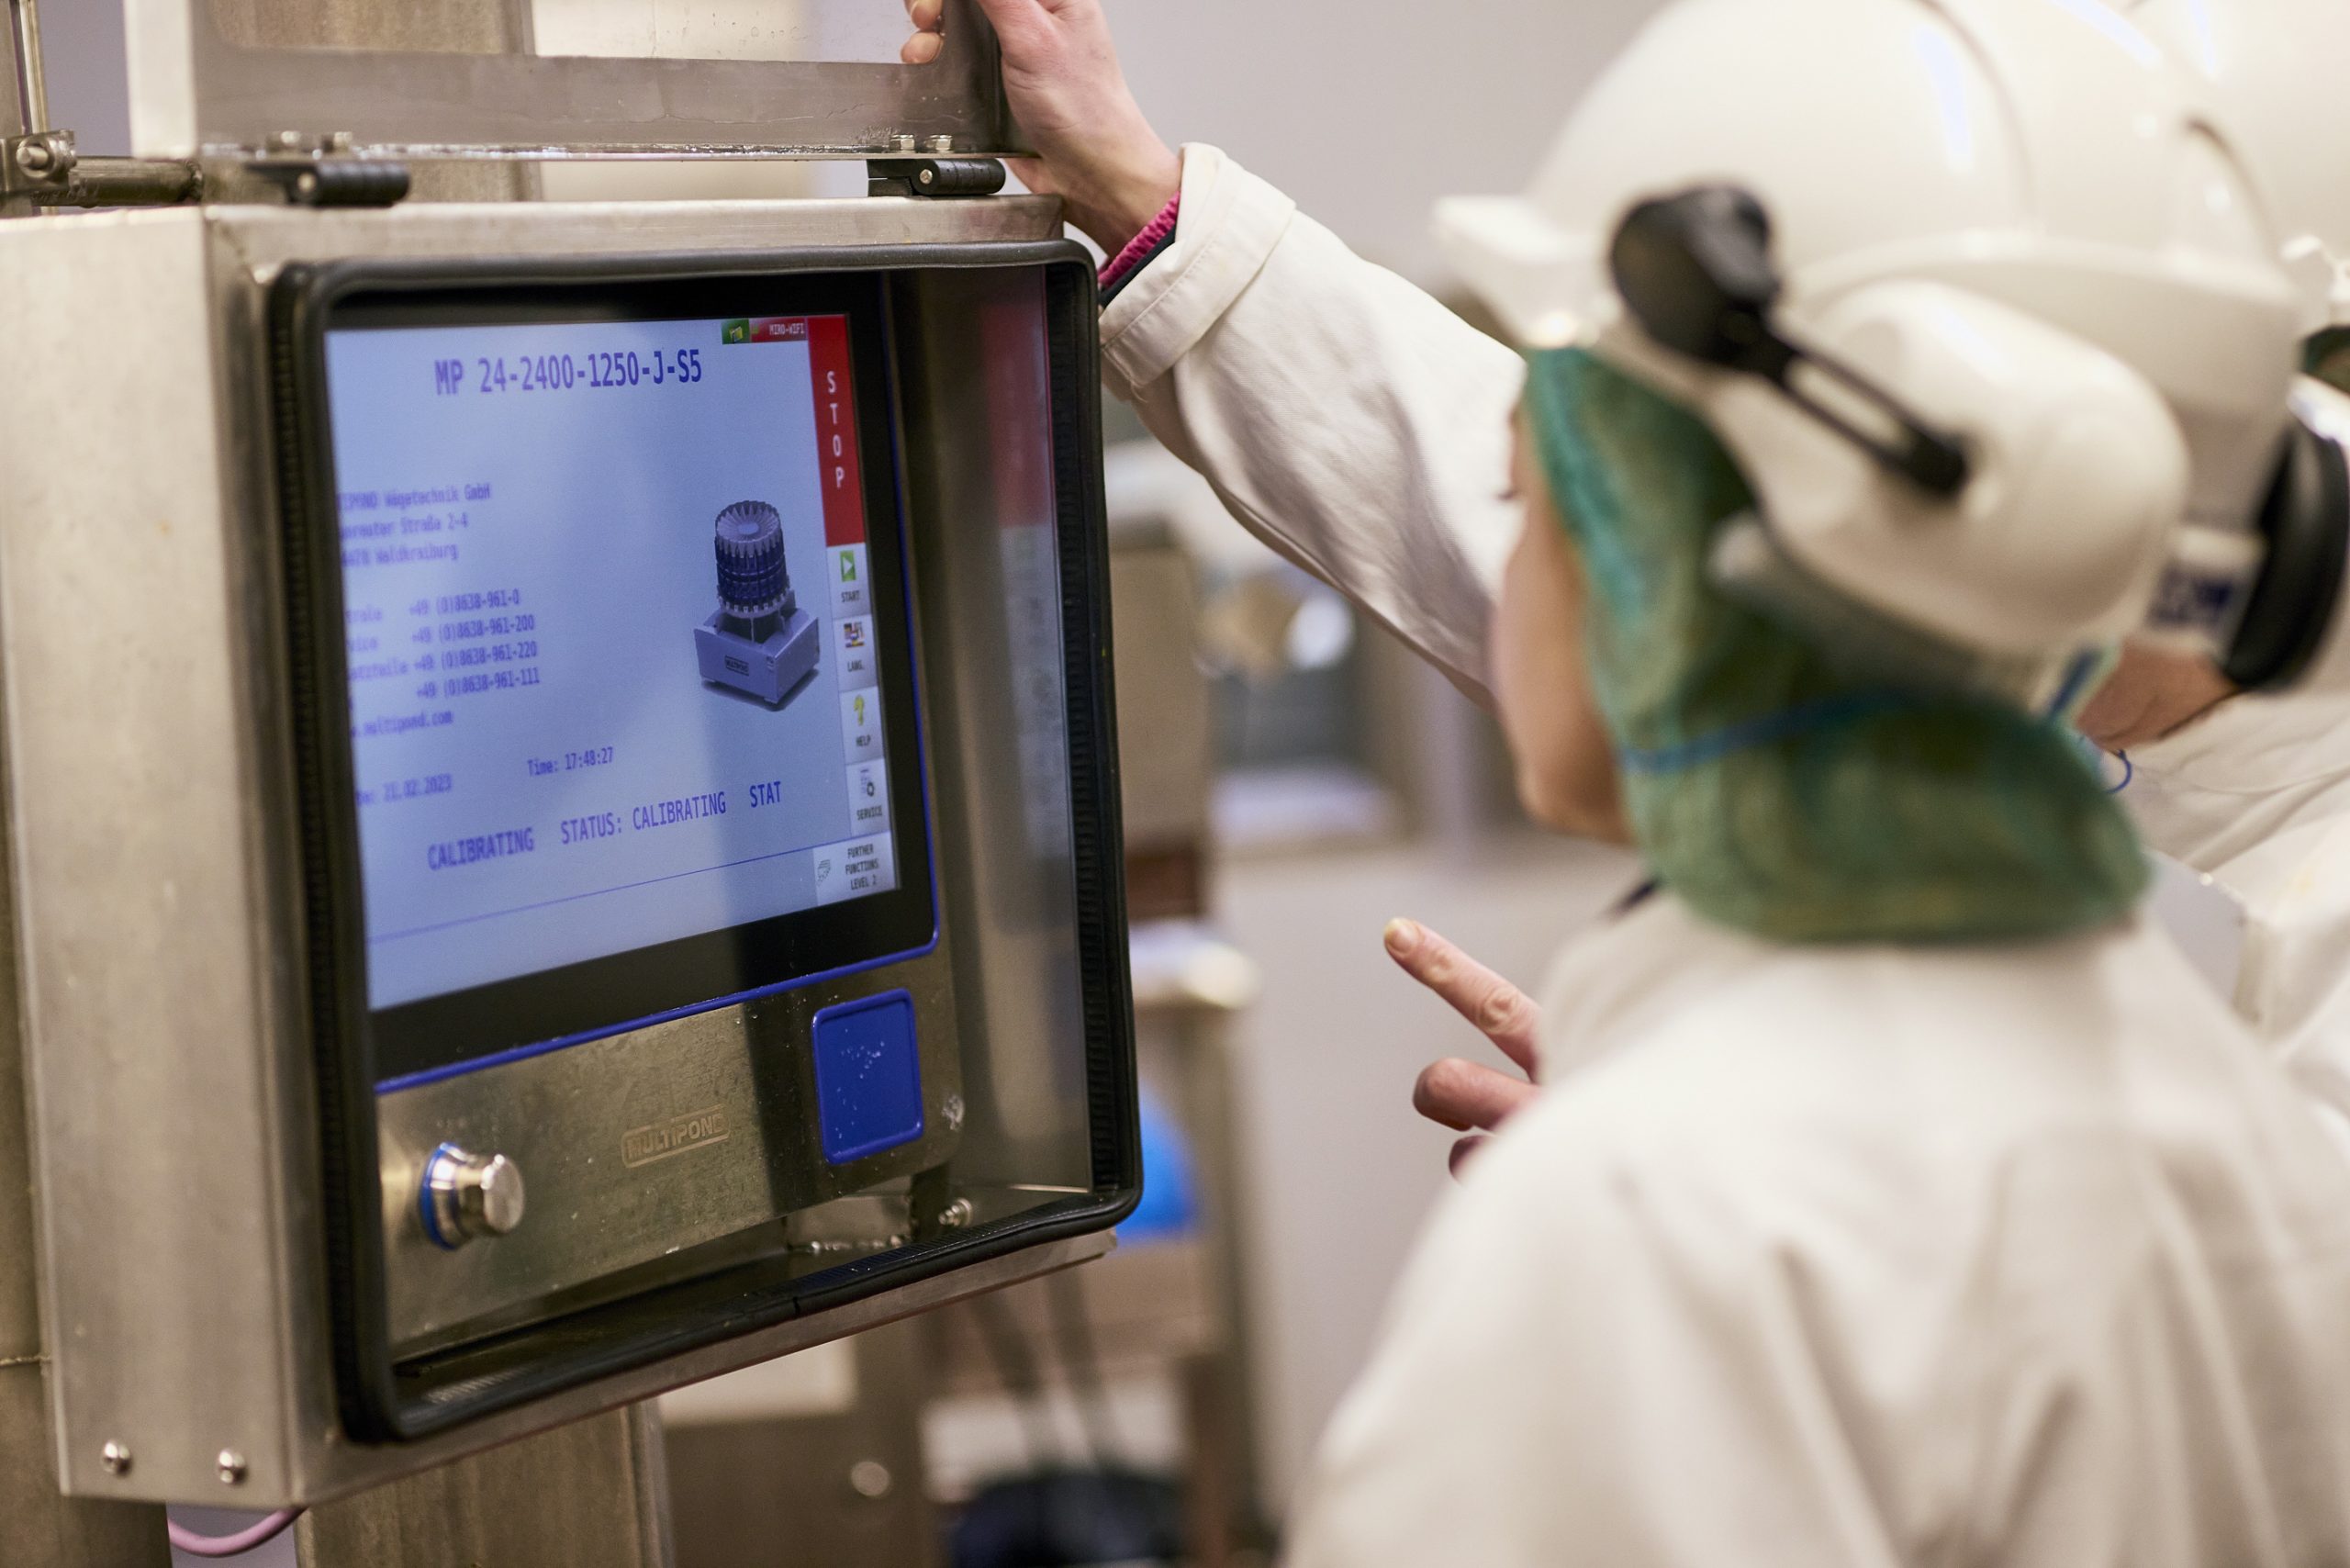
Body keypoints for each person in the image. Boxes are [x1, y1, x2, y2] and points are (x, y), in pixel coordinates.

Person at [912, 0, 2350, 1560]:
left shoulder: (1659, 1233)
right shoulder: (2204, 1098)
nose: (1528, 541)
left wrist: (1686, 1190)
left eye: (1557, 489)